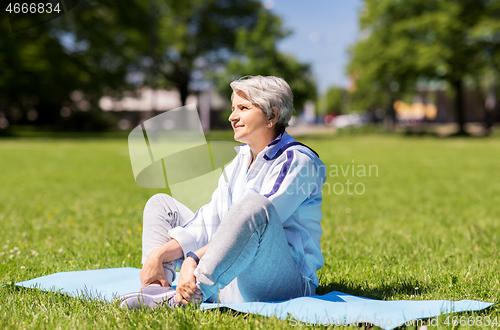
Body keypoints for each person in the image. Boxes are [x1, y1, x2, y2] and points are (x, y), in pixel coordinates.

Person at [119, 75, 326, 309]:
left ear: (272, 116)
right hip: (230, 276)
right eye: (233, 108)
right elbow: (211, 219)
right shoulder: (240, 160)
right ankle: (158, 289)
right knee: (161, 205)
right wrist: (159, 254)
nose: (232, 116)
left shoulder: (297, 161)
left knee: (254, 206)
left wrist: (193, 259)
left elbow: (256, 221)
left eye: (243, 108)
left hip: (282, 284)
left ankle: (191, 294)